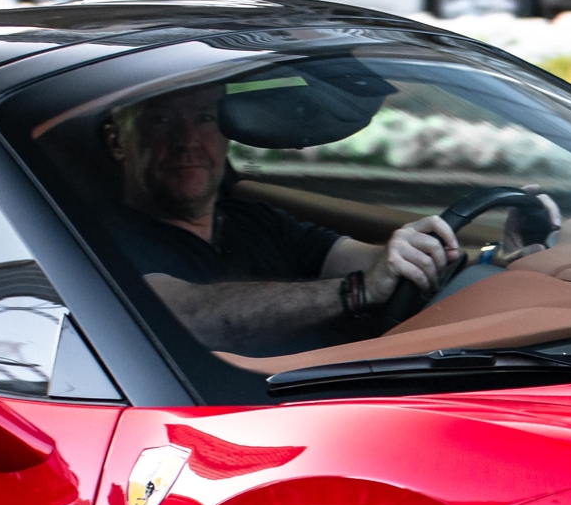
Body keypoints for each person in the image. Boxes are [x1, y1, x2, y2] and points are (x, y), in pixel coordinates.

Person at [100, 84, 464, 355]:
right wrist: (358, 290)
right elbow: (186, 316)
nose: (187, 140)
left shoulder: (255, 221)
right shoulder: (101, 242)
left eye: (205, 118)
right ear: (117, 142)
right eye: (161, 121)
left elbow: (372, 260)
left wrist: (452, 254)